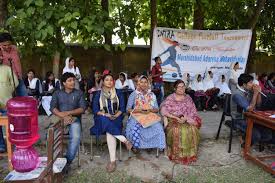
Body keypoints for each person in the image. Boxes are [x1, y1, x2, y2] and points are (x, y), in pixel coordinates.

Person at [90, 74, 132, 173]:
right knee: (105, 120)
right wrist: (105, 115)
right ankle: (124, 140)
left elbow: (122, 108)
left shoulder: (119, 92)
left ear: (113, 82)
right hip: (101, 118)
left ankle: (112, 161)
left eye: (111, 80)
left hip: (116, 117)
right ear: (103, 82)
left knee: (110, 130)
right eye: (107, 80)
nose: (109, 82)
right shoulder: (97, 94)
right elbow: (95, 110)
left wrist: (116, 115)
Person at [50, 72, 87, 170]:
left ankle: (67, 161)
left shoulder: (79, 93)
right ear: (64, 83)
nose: (72, 82)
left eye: (73, 80)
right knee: (51, 136)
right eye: (69, 80)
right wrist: (61, 115)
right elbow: (52, 107)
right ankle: (53, 162)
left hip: (74, 119)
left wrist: (67, 113)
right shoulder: (57, 93)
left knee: (75, 137)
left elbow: (82, 108)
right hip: (59, 118)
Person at [160, 80, 201, 164]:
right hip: (173, 119)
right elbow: (164, 110)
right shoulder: (170, 98)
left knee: (192, 129)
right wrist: (176, 117)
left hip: (187, 119)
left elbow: (193, 111)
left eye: (183, 86)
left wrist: (186, 118)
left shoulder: (188, 98)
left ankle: (190, 155)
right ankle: (177, 155)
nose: (182, 88)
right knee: (179, 131)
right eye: (179, 87)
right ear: (175, 88)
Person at [125, 75, 166, 152]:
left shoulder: (152, 95)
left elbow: (156, 109)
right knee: (133, 128)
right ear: (138, 83)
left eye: (145, 82)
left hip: (150, 116)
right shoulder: (134, 94)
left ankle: (151, 145)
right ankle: (135, 145)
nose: (143, 84)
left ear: (148, 84)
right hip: (136, 116)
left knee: (158, 128)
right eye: (141, 82)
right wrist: (139, 110)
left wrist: (149, 110)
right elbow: (128, 109)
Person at [231, 74, 274, 145]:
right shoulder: (237, 94)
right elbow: (250, 109)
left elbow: (258, 105)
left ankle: (246, 137)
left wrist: (258, 94)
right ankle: (245, 145)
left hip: (251, 118)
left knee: (268, 134)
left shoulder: (248, 91)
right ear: (244, 84)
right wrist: (255, 94)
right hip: (239, 119)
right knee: (256, 135)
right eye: (250, 83)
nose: (252, 85)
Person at [0, 58, 19, 153]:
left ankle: (15, 146)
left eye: (1, 56)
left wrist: (6, 89)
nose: (0, 58)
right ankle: (1, 146)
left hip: (7, 103)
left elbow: (16, 82)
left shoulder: (7, 68)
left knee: (12, 125)